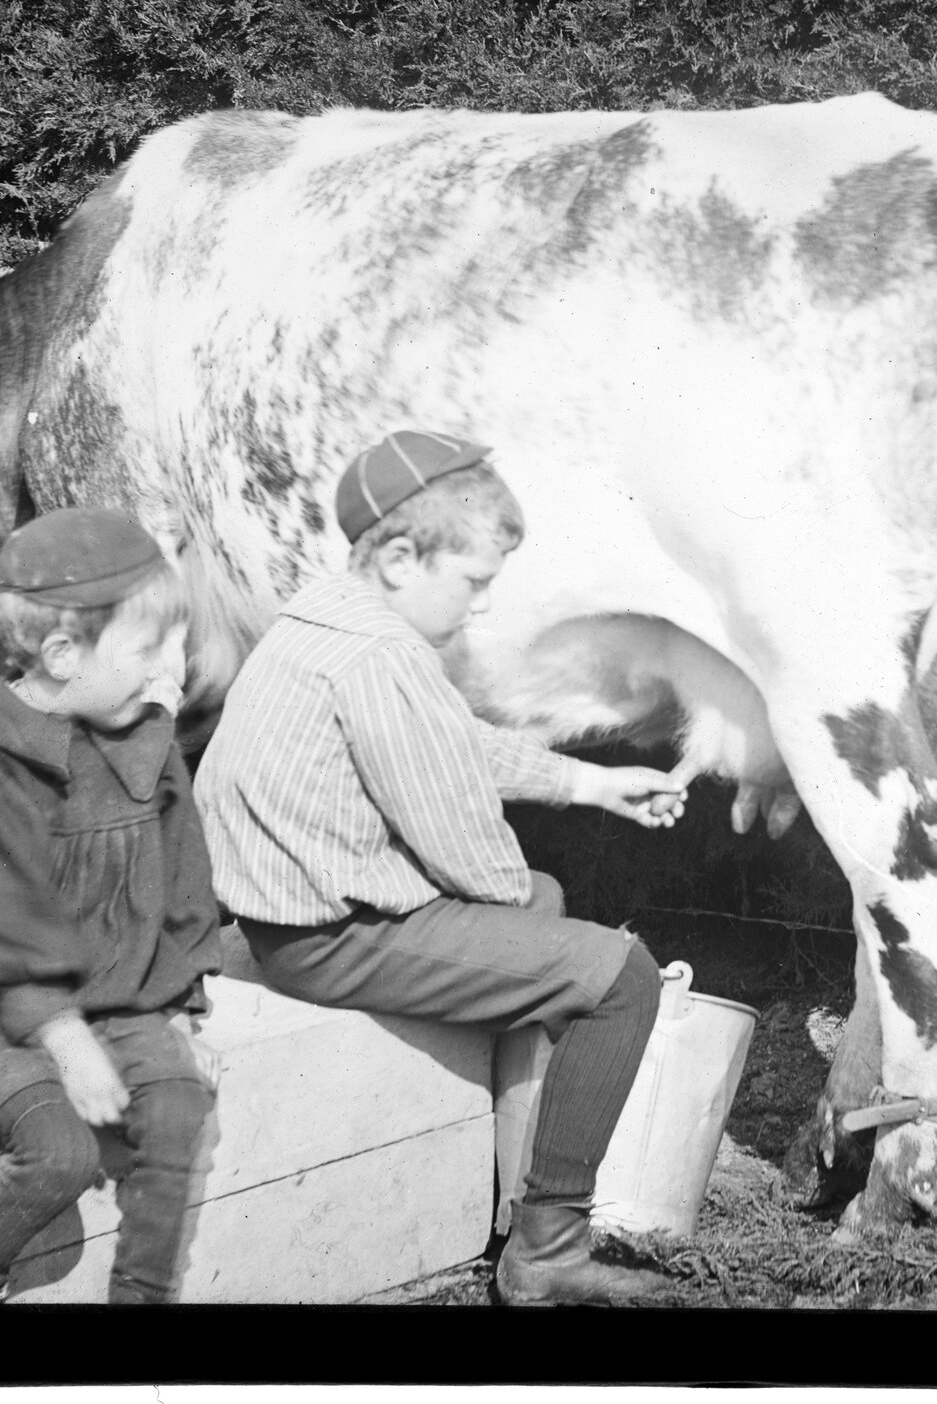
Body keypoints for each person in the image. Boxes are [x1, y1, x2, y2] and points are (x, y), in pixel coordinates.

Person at [194, 430, 690, 1306]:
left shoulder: (328, 618)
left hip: (296, 916)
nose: (478, 608)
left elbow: (449, 745)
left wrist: (590, 782)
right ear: (397, 556)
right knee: (620, 976)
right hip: (332, 937)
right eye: (471, 583)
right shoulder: (383, 656)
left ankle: (514, 1176)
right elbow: (463, 836)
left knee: (543, 907)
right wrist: (542, 933)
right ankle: (546, 1247)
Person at [0, 508, 223, 1305]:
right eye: (148, 648)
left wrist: (183, 1008)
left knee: (179, 1103)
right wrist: (67, 1040)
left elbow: (184, 882)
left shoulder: (148, 737)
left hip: (118, 990)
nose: (173, 670)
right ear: (61, 654)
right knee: (60, 1150)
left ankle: (140, 1304)